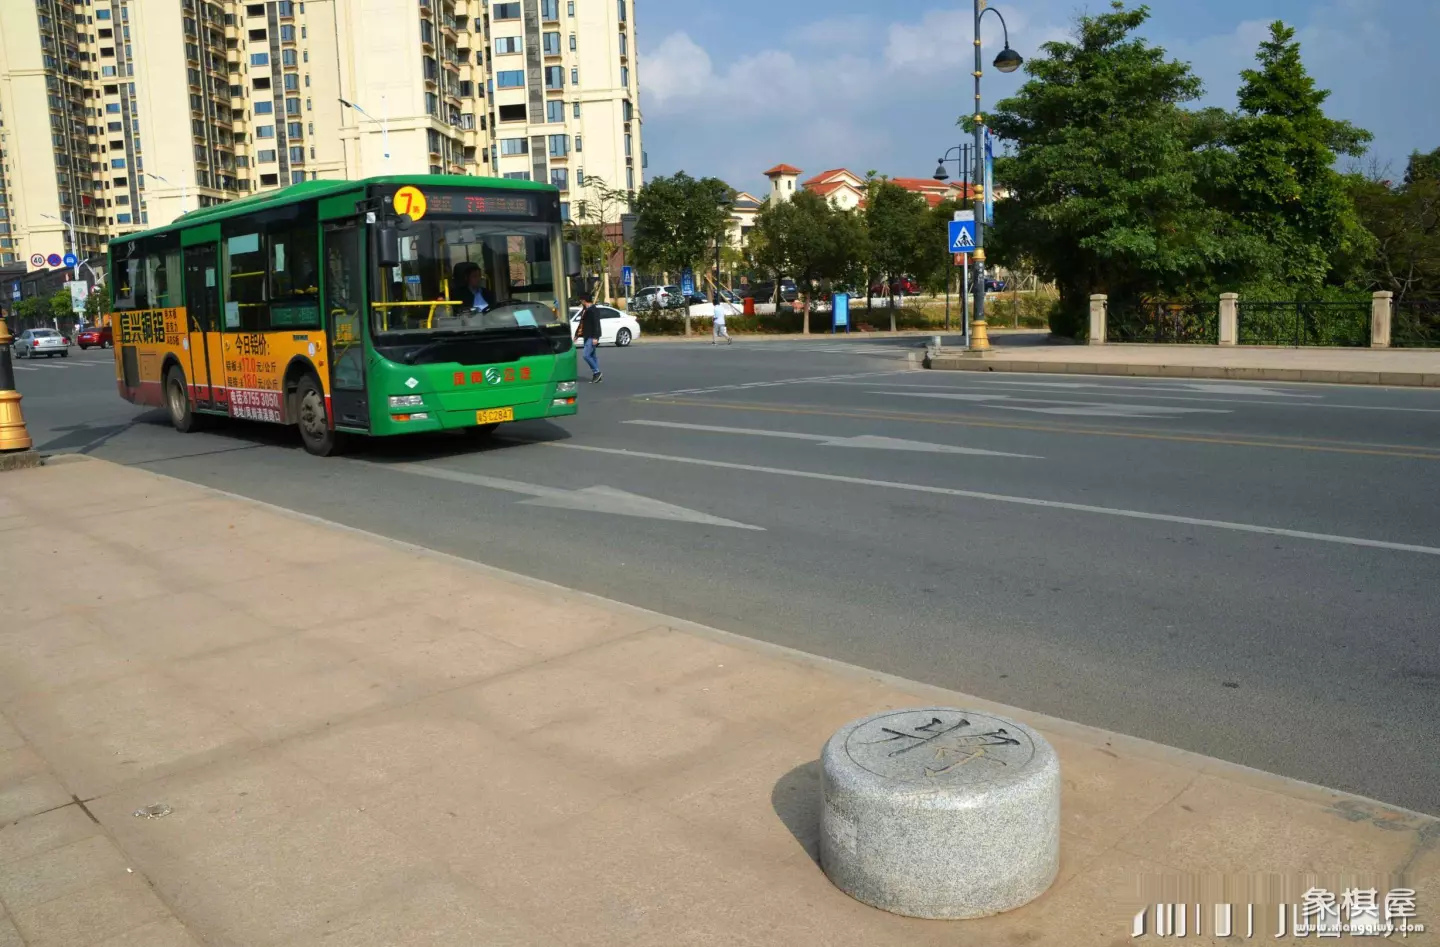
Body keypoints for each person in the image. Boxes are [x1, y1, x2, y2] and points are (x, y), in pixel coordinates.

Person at [574, 291, 603, 383]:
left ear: (584, 300)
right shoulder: (585, 309)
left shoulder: (593, 310)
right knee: (592, 356)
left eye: (581, 300)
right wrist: (576, 335)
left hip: (591, 336)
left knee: (586, 355)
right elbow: (581, 323)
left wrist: (595, 337)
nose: (580, 301)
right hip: (586, 335)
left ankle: (597, 372)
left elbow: (596, 324)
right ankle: (597, 376)